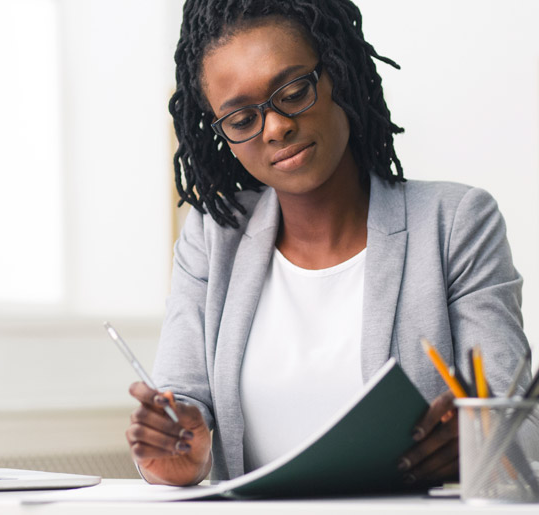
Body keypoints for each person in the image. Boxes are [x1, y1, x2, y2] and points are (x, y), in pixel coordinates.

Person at [125, 0, 534, 487]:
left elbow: (522, 424)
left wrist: (482, 441)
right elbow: (181, 402)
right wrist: (176, 451)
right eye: (240, 121)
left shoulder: (455, 224)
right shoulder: (213, 236)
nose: (276, 127)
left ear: (337, 70)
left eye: (294, 90)